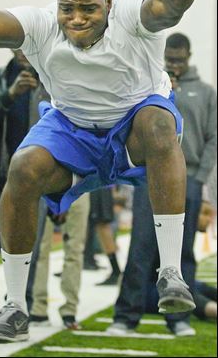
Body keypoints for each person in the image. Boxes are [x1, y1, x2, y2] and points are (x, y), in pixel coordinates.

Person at [0, 0, 211, 343]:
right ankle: (16, 305)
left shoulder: (130, 15)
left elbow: (163, 9)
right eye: (67, 8)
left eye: (88, 8)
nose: (76, 18)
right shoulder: (41, 25)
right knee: (23, 167)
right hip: (72, 130)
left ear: (109, 3)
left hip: (133, 129)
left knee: (158, 122)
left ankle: (171, 274)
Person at [108, 33, 217, 337]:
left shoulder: (207, 93)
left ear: (189, 56)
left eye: (180, 60)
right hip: (150, 178)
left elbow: (212, 139)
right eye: (170, 60)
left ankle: (179, 318)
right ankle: (126, 316)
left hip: (190, 181)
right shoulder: (150, 88)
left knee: (182, 254)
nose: (175, 65)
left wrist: (198, 179)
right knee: (140, 249)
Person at [0, 48, 47, 331]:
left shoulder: (52, 83)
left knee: (29, 256)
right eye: (19, 44)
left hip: (34, 187)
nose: (23, 51)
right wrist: (9, 95)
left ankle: (18, 317)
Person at [29, 193, 90, 329]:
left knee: (74, 250)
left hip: (80, 186)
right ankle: (38, 307)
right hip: (48, 187)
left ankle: (69, 309)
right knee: (40, 249)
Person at [84, 187, 122, 285]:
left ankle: (116, 270)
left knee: (102, 227)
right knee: (101, 227)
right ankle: (115, 270)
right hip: (101, 187)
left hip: (99, 188)